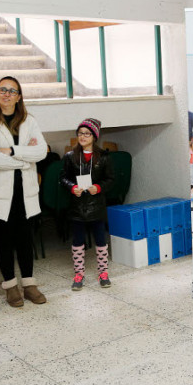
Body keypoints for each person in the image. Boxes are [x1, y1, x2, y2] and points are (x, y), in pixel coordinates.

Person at [0, 77, 48, 307]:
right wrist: (23, 161)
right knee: (5, 241)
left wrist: (14, 150)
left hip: (24, 191)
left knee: (26, 240)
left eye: (12, 91)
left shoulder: (29, 121)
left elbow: (41, 151)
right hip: (0, 193)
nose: (6, 94)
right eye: (2, 90)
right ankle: (10, 286)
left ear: (19, 96)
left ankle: (29, 284)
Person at [60, 118, 114, 290]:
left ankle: (103, 273)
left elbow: (111, 179)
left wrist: (98, 187)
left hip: (96, 205)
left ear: (94, 136)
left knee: (100, 240)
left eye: (87, 133)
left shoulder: (104, 157)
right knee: (77, 241)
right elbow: (63, 178)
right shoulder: (70, 157)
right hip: (77, 206)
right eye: (80, 133)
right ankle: (79, 274)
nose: (83, 136)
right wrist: (72, 187)